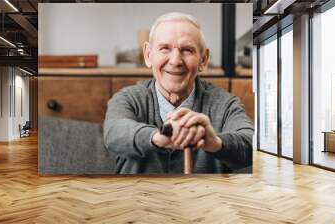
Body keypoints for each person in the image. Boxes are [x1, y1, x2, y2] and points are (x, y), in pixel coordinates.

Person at [103, 12, 253, 174]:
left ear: (203, 59)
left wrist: (215, 142)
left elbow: (252, 144)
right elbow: (114, 133)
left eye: (187, 50)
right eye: (165, 48)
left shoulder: (226, 104)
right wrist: (159, 136)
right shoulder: (127, 98)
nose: (175, 61)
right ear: (148, 55)